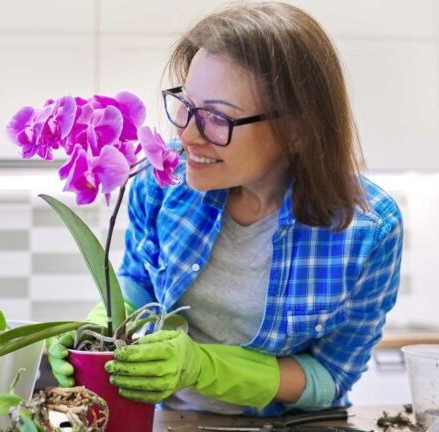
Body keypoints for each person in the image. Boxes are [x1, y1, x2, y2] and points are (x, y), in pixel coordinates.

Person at [48, 1, 403, 416]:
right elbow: (139, 283)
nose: (185, 133)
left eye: (217, 116)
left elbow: (330, 377)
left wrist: (203, 367)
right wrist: (99, 328)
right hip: (167, 419)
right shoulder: (161, 181)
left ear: (297, 132)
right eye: (185, 103)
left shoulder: (367, 231)